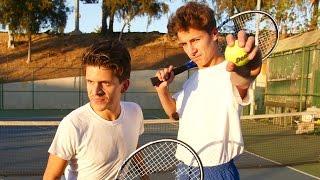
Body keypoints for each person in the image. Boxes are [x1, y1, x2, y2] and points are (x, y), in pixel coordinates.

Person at [154, 2, 262, 180]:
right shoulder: (192, 80)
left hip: (215, 171)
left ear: (214, 34)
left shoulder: (230, 71)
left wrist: (245, 73)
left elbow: (241, 82)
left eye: (195, 40)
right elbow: (174, 113)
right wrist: (162, 90)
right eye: (184, 44)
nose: (191, 50)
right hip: (183, 167)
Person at [43, 40, 144, 180]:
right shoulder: (73, 125)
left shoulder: (135, 112)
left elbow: (134, 146)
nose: (96, 91)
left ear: (124, 85)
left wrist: (145, 177)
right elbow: (51, 177)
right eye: (90, 82)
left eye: (105, 83)